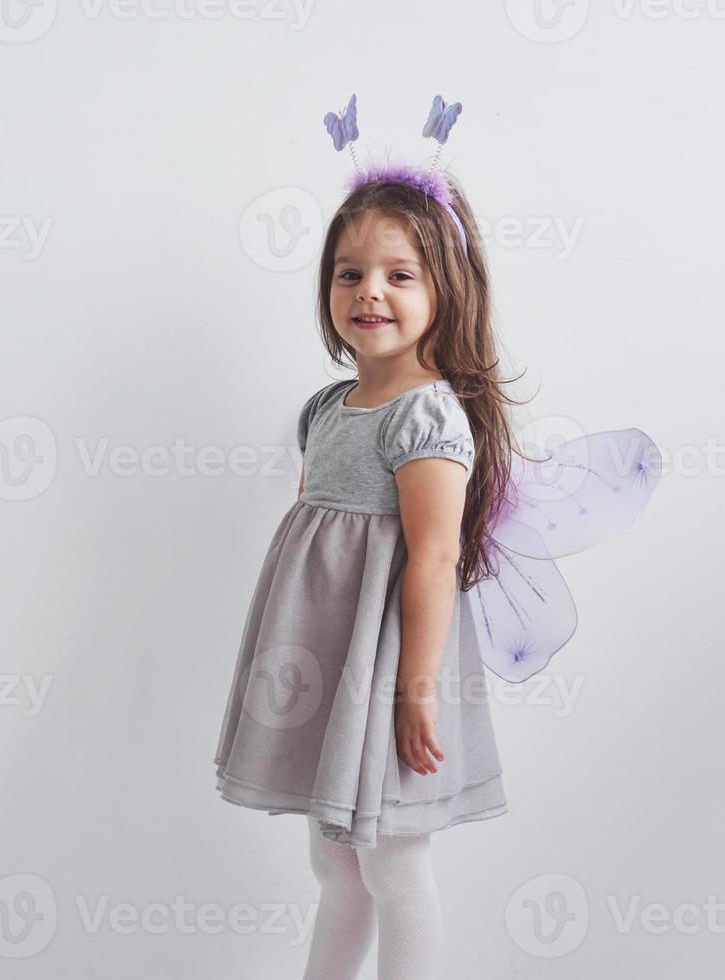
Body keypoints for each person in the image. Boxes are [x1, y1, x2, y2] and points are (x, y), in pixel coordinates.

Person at [213, 96, 533, 979]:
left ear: (444, 290)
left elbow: (430, 556)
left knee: (392, 857)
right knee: (333, 857)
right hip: (326, 654)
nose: (370, 293)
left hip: (389, 665)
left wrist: (415, 689)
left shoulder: (426, 415)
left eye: (399, 275)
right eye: (349, 274)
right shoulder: (328, 408)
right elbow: (323, 542)